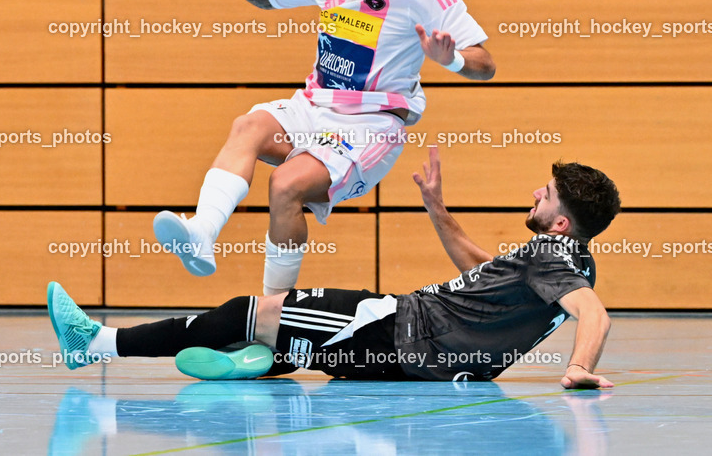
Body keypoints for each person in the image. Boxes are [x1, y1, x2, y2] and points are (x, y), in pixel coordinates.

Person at [152, 0, 496, 295]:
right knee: (247, 126)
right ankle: (202, 233)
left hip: (370, 126)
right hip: (313, 107)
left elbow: (485, 64)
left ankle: (274, 314)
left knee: (286, 186)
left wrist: (451, 59)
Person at [48, 148, 620, 388]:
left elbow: (594, 316)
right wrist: (437, 209)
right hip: (425, 363)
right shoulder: (572, 261)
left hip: (399, 327)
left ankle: (96, 342)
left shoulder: (551, 255)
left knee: (251, 311)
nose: (536, 193)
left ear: (560, 221)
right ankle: (262, 360)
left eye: (546, 195)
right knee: (298, 336)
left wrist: (579, 369)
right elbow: (486, 271)